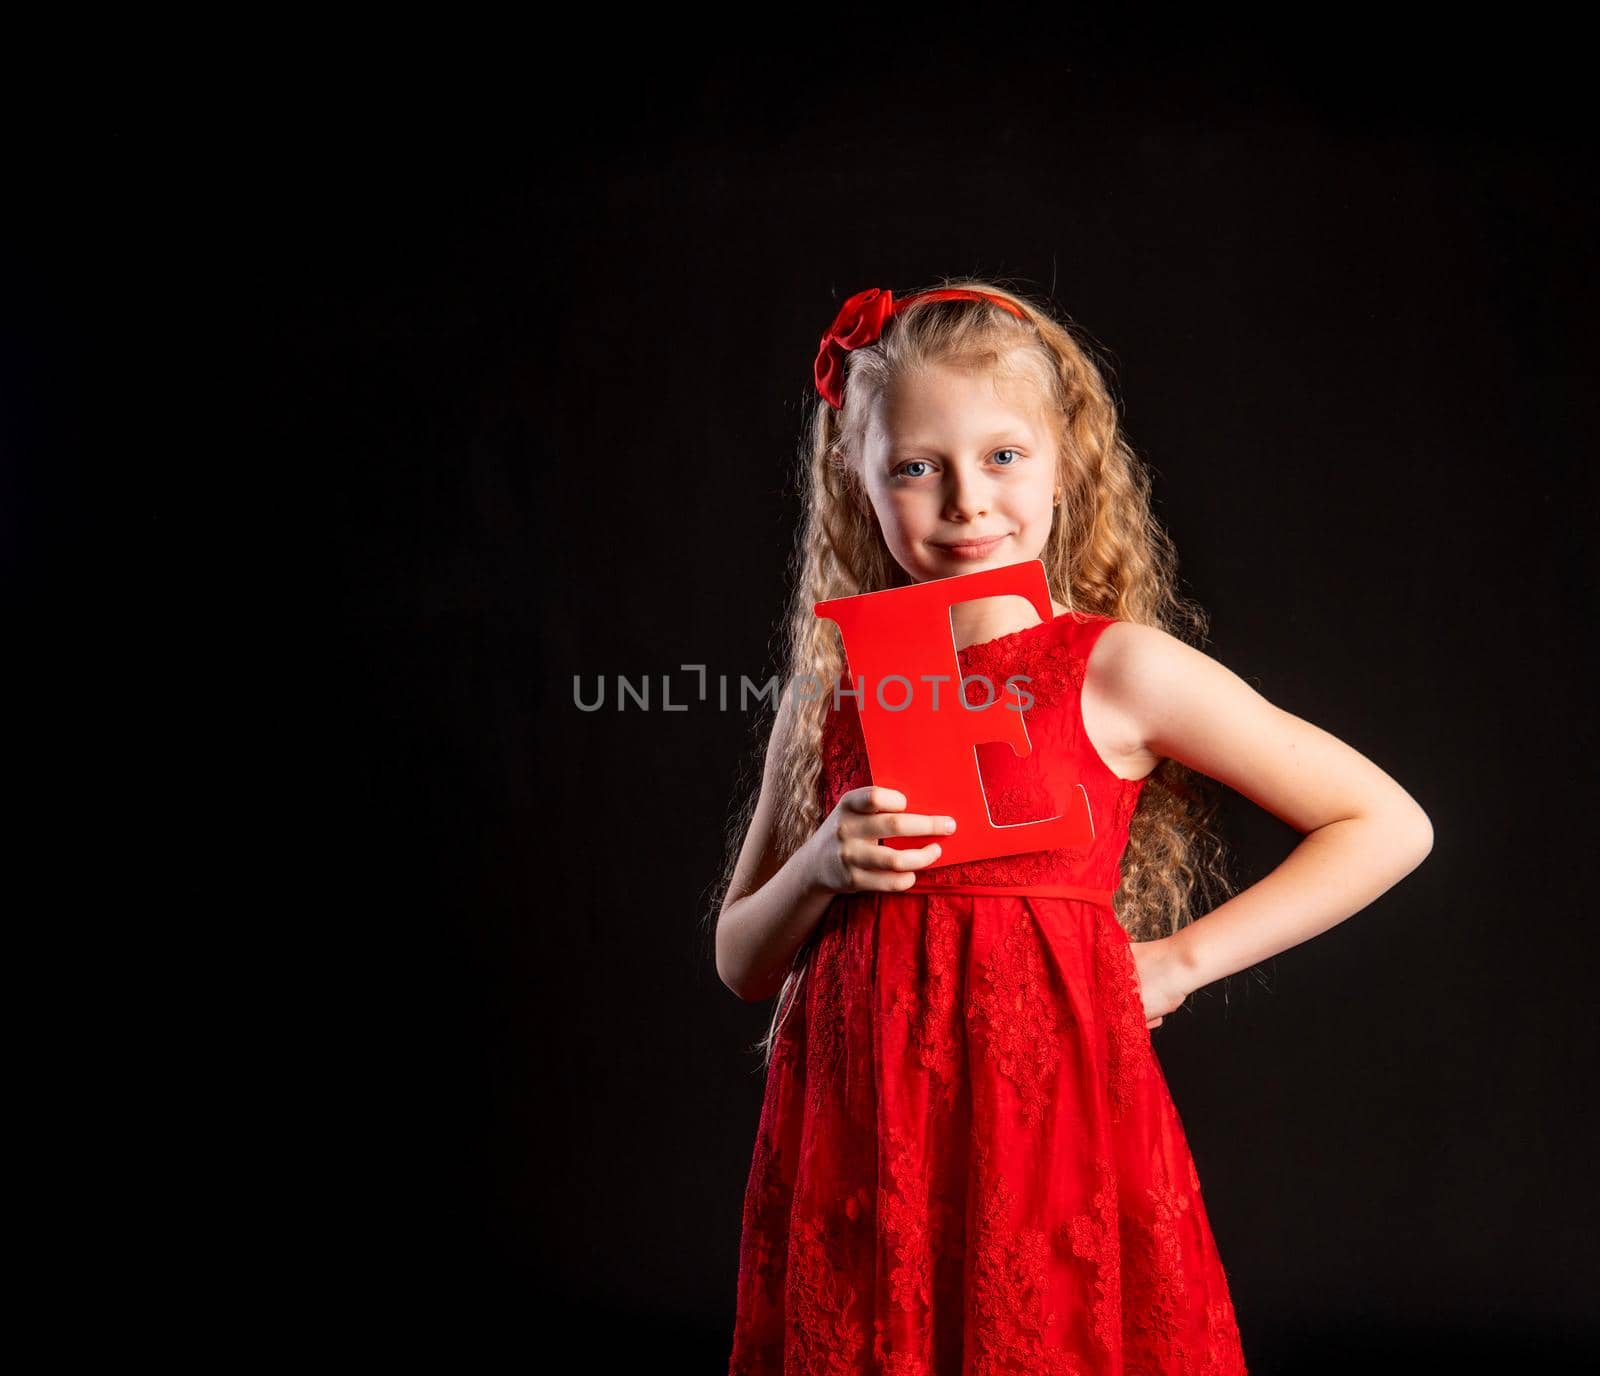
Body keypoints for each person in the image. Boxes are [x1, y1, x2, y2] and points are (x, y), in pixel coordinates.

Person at [712, 279, 1433, 1375]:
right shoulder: (831, 692)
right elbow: (740, 960)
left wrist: (1180, 961)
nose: (966, 501)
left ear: (1065, 463)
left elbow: (1382, 819)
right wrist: (819, 864)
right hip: (861, 1123)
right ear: (855, 479)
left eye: (1004, 456)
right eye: (915, 466)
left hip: (1044, 1115)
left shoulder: (1116, 665)